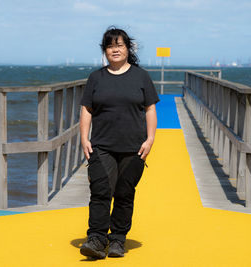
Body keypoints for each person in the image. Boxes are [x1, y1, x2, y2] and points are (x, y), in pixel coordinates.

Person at [79, 27, 159, 259]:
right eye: (110, 46)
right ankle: (96, 238)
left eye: (119, 45)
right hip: (102, 145)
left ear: (127, 49)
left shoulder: (141, 76)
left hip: (134, 147)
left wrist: (150, 138)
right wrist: (84, 138)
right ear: (105, 50)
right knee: (100, 191)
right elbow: (86, 108)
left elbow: (150, 108)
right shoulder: (96, 77)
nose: (115, 49)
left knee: (124, 193)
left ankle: (117, 240)